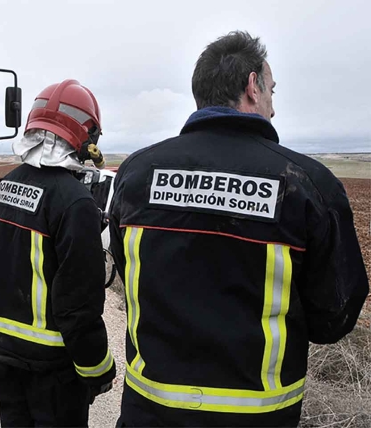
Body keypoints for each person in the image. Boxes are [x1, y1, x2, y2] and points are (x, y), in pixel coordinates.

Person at [108, 31, 369, 427]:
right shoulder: (306, 184)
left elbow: (126, 272)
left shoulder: (135, 174)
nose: (273, 108)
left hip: (150, 412)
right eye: (272, 91)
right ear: (252, 86)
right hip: (259, 418)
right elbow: (334, 317)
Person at [0, 79, 116, 427]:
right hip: (53, 371)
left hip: (6, 356)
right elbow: (78, 307)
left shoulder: (5, 185)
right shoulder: (74, 202)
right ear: (86, 138)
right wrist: (99, 368)